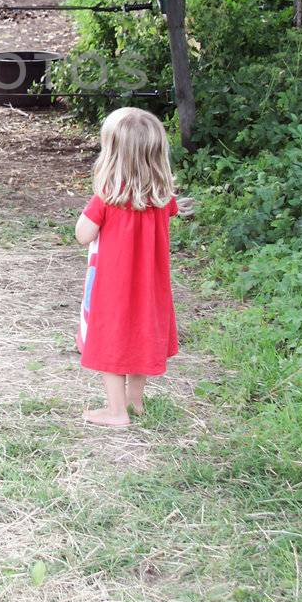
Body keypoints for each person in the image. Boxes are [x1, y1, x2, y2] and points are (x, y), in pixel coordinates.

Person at [74, 106, 188, 429]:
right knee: (139, 337)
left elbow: (82, 235)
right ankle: (135, 402)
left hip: (114, 290)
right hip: (150, 289)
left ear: (113, 156)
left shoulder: (107, 198)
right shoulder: (163, 198)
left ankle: (116, 411)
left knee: (110, 342)